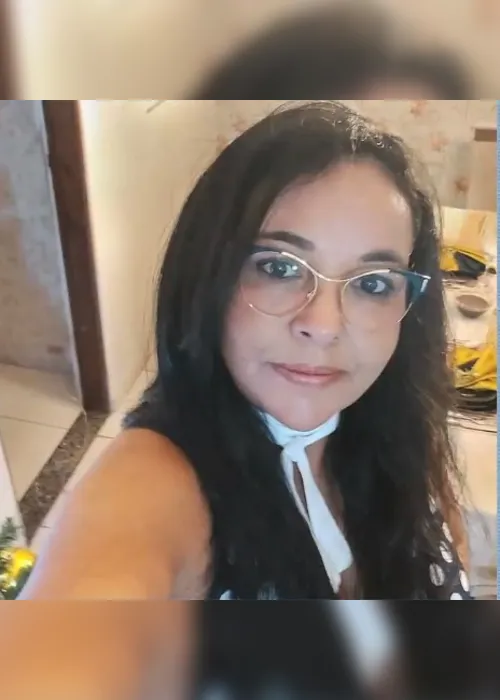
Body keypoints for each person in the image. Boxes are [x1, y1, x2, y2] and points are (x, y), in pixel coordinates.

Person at [21, 101, 471, 601]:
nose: (322, 326)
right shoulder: (153, 486)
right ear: (209, 273)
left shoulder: (402, 424)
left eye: (372, 283)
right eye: (279, 268)